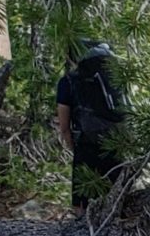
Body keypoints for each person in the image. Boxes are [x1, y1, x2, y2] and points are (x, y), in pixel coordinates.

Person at [54, 41, 127, 202]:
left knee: (82, 203)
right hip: (118, 142)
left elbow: (64, 126)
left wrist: (74, 148)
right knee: (117, 199)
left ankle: (84, 227)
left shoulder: (68, 81)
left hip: (86, 144)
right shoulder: (115, 77)